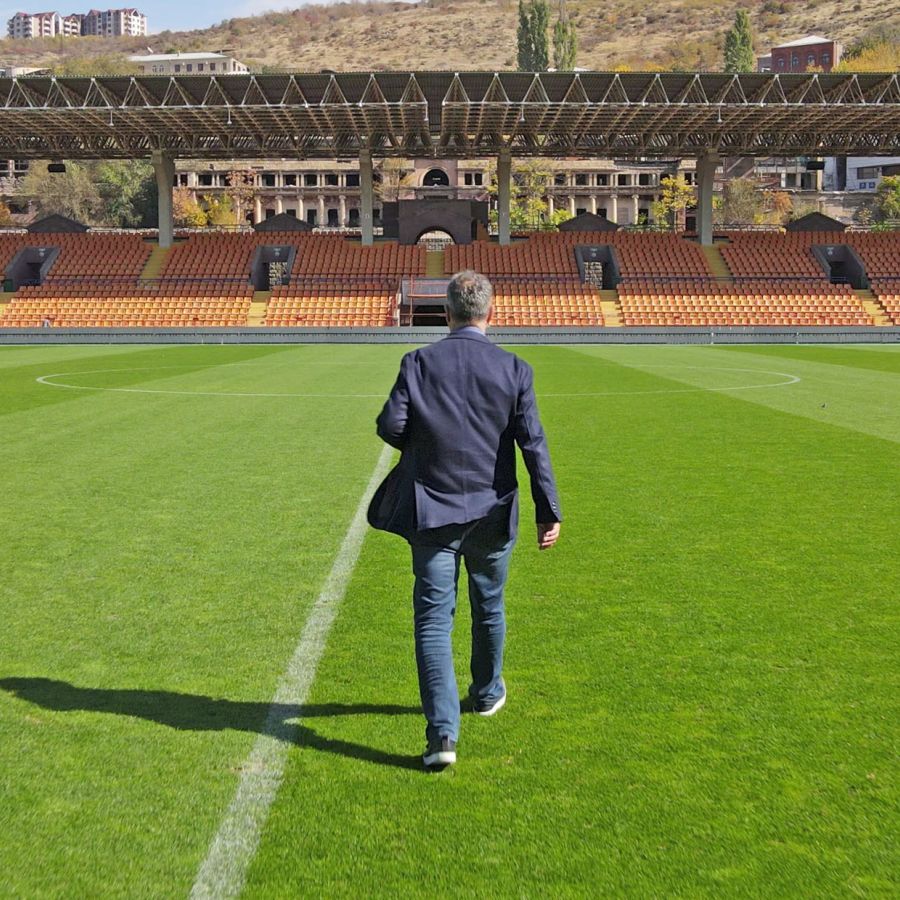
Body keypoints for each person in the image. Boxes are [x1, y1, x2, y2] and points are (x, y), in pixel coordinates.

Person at [369, 270, 561, 769]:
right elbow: (533, 445)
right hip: (493, 509)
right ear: (489, 313)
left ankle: (442, 736)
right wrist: (548, 511)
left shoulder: (418, 362)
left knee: (434, 620)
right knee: (488, 604)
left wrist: (427, 446)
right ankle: (486, 691)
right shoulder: (514, 368)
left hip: (432, 510)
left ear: (447, 313)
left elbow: (390, 425)